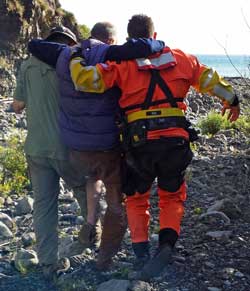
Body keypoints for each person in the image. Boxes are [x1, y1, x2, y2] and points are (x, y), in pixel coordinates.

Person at [69, 14, 241, 279]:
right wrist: (232, 98)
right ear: (155, 36)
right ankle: (167, 245)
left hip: (140, 143)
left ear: (128, 39)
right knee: (172, 195)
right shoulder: (182, 58)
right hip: (175, 140)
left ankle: (140, 252)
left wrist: (75, 57)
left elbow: (85, 80)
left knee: (137, 198)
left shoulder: (121, 63)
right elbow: (209, 79)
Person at [27, 21, 165, 270]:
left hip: (76, 150)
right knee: (115, 202)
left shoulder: (64, 54)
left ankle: (83, 230)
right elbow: (143, 47)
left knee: (82, 183)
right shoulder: (110, 54)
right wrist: (160, 43)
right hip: (105, 148)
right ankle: (103, 259)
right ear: (111, 41)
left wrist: (73, 48)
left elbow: (34, 44)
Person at [12, 26, 102, 279]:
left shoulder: (27, 65)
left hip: (37, 149)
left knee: (44, 206)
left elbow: (18, 105)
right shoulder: (72, 63)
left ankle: (48, 264)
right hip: (67, 147)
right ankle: (95, 242)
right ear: (69, 43)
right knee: (85, 191)